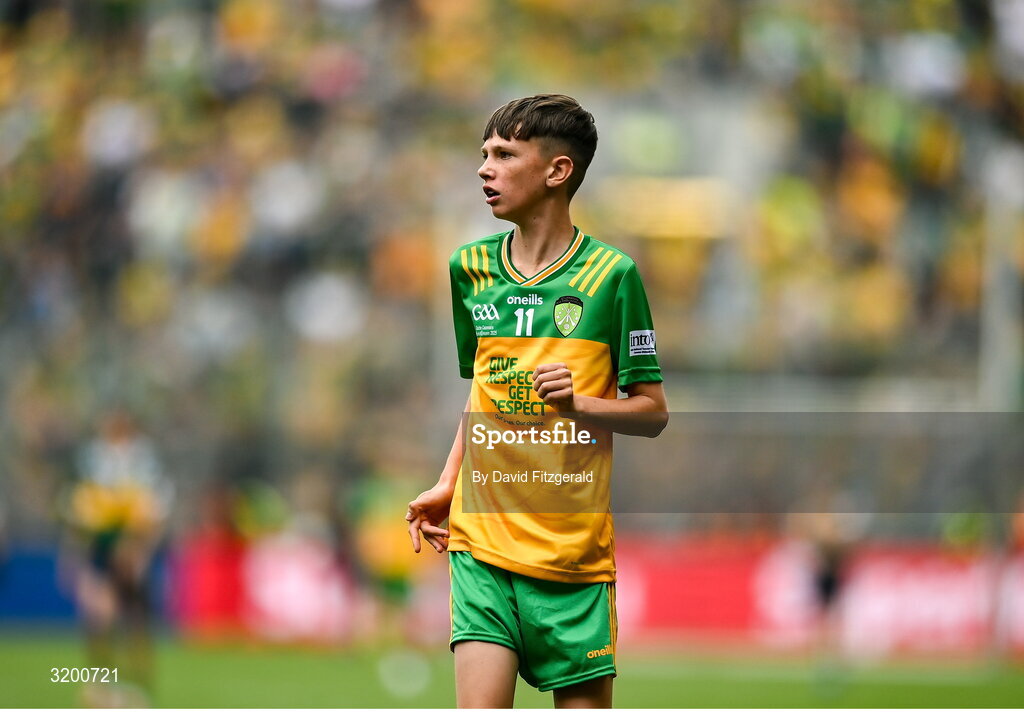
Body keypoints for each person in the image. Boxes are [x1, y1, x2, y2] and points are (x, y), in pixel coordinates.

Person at [406, 94, 668, 708]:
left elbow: (653, 412)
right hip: (482, 546)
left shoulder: (613, 277)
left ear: (557, 171)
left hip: (571, 561)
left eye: (504, 154)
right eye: (484, 155)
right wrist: (450, 481)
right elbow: (485, 389)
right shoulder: (469, 269)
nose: (484, 168)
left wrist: (582, 406)